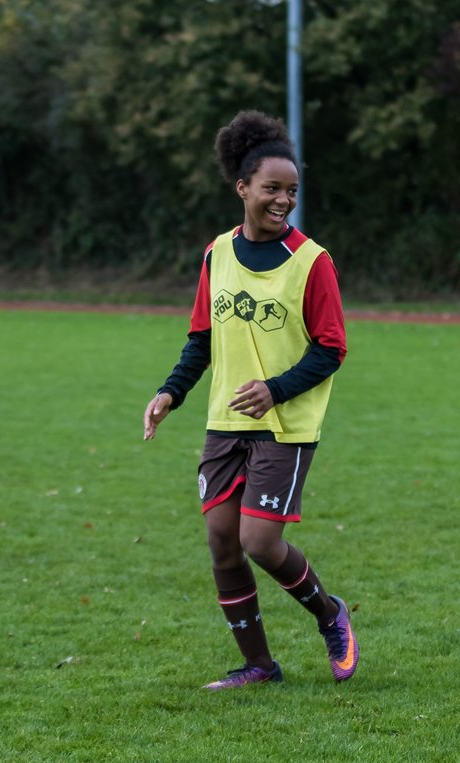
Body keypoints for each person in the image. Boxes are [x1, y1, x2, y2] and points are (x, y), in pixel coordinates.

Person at [142, 110, 359, 690]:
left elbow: (332, 348)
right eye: (271, 188)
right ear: (242, 188)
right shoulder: (216, 255)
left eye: (291, 190)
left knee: (259, 540)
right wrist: (170, 392)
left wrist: (275, 389)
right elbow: (201, 339)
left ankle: (329, 614)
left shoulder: (313, 262)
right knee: (221, 541)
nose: (283, 199)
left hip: (286, 425)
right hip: (224, 422)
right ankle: (259, 666)